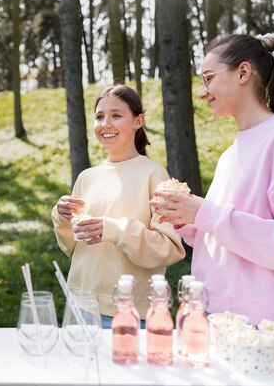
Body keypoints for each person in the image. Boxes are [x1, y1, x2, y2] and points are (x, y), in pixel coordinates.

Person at [152, 33, 274, 325]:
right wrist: (187, 220)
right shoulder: (230, 154)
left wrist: (204, 212)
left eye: (209, 78)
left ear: (243, 72)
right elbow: (225, 233)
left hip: (261, 326)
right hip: (210, 313)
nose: (202, 92)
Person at [52, 85, 185, 329]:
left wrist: (115, 230)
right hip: (79, 307)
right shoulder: (87, 177)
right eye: (100, 116)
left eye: (116, 115)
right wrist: (61, 218)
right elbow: (71, 246)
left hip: (128, 312)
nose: (105, 123)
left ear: (138, 121)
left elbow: (169, 247)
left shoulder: (154, 175)